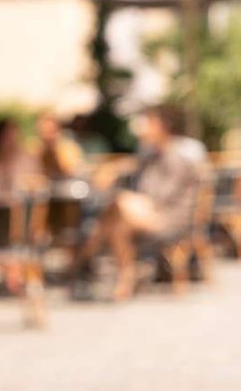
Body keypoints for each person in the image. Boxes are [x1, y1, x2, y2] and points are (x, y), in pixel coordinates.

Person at [76, 106, 199, 300]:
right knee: (118, 225)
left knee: (118, 205)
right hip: (146, 212)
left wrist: (130, 199)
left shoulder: (176, 159)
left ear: (163, 127)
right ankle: (119, 273)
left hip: (169, 218)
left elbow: (160, 199)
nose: (143, 128)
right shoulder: (150, 155)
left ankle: (86, 256)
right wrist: (113, 169)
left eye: (149, 123)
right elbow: (131, 167)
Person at [34, 111, 83, 180]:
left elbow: (71, 170)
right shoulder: (35, 148)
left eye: (50, 131)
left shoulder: (68, 147)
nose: (47, 135)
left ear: (58, 129)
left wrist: (55, 151)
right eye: (44, 131)